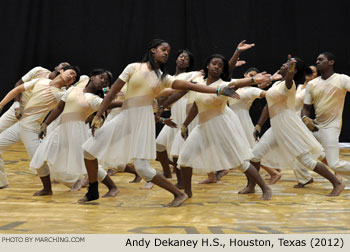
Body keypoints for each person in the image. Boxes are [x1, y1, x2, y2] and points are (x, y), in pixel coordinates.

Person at [79, 39, 239, 207]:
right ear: (153, 50)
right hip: (125, 117)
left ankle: (178, 194)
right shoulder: (133, 67)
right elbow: (113, 91)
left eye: (168, 52)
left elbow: (189, 86)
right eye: (163, 50)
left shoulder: (164, 78)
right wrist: (98, 115)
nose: (166, 53)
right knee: (88, 151)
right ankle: (93, 190)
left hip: (143, 119)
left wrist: (218, 89)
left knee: (142, 167)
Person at [178, 54, 273, 200]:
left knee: (239, 162)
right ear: (208, 66)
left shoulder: (223, 85)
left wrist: (253, 80)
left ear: (223, 70)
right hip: (202, 128)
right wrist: (185, 124)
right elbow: (196, 105)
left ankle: (265, 188)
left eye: (220, 66)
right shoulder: (199, 83)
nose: (216, 67)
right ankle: (188, 193)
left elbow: (238, 83)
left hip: (220, 126)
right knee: (184, 159)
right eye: (214, 63)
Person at [248, 55, 345, 197]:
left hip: (288, 125)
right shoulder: (276, 84)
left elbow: (289, 77)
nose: (283, 64)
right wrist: (258, 125)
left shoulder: (290, 85)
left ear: (293, 70)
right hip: (276, 126)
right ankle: (251, 186)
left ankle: (337, 183)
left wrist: (291, 67)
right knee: (254, 156)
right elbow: (268, 106)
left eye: (287, 64)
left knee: (306, 160)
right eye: (285, 63)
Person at [30, 69, 122, 196]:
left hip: (77, 132)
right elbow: (59, 108)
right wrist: (45, 124)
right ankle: (47, 189)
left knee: (88, 163)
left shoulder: (94, 99)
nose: (102, 81)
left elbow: (109, 104)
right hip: (61, 129)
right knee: (39, 157)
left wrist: (128, 102)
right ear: (92, 76)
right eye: (101, 77)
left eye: (106, 81)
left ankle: (112, 187)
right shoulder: (73, 90)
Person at [0, 65, 80, 190]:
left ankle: (68, 183)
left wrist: (46, 124)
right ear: (61, 71)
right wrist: (1, 104)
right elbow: (18, 89)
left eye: (74, 77)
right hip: (20, 125)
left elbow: (66, 107)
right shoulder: (40, 80)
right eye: (71, 73)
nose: (72, 76)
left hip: (31, 129)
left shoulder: (62, 94)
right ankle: (2, 183)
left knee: (39, 160)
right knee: (39, 160)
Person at [301, 52, 350, 180]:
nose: (317, 62)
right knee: (297, 150)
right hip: (316, 126)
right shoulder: (312, 84)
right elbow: (306, 108)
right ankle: (304, 179)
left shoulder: (342, 79)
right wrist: (305, 119)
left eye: (321, 59)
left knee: (334, 163)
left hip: (331, 128)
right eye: (317, 60)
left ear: (331, 62)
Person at [0, 62, 70, 133]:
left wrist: (45, 124)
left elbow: (56, 108)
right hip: (17, 109)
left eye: (67, 68)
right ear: (56, 67)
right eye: (63, 65)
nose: (64, 68)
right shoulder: (38, 70)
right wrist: (16, 105)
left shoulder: (60, 91)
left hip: (32, 118)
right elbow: (18, 85)